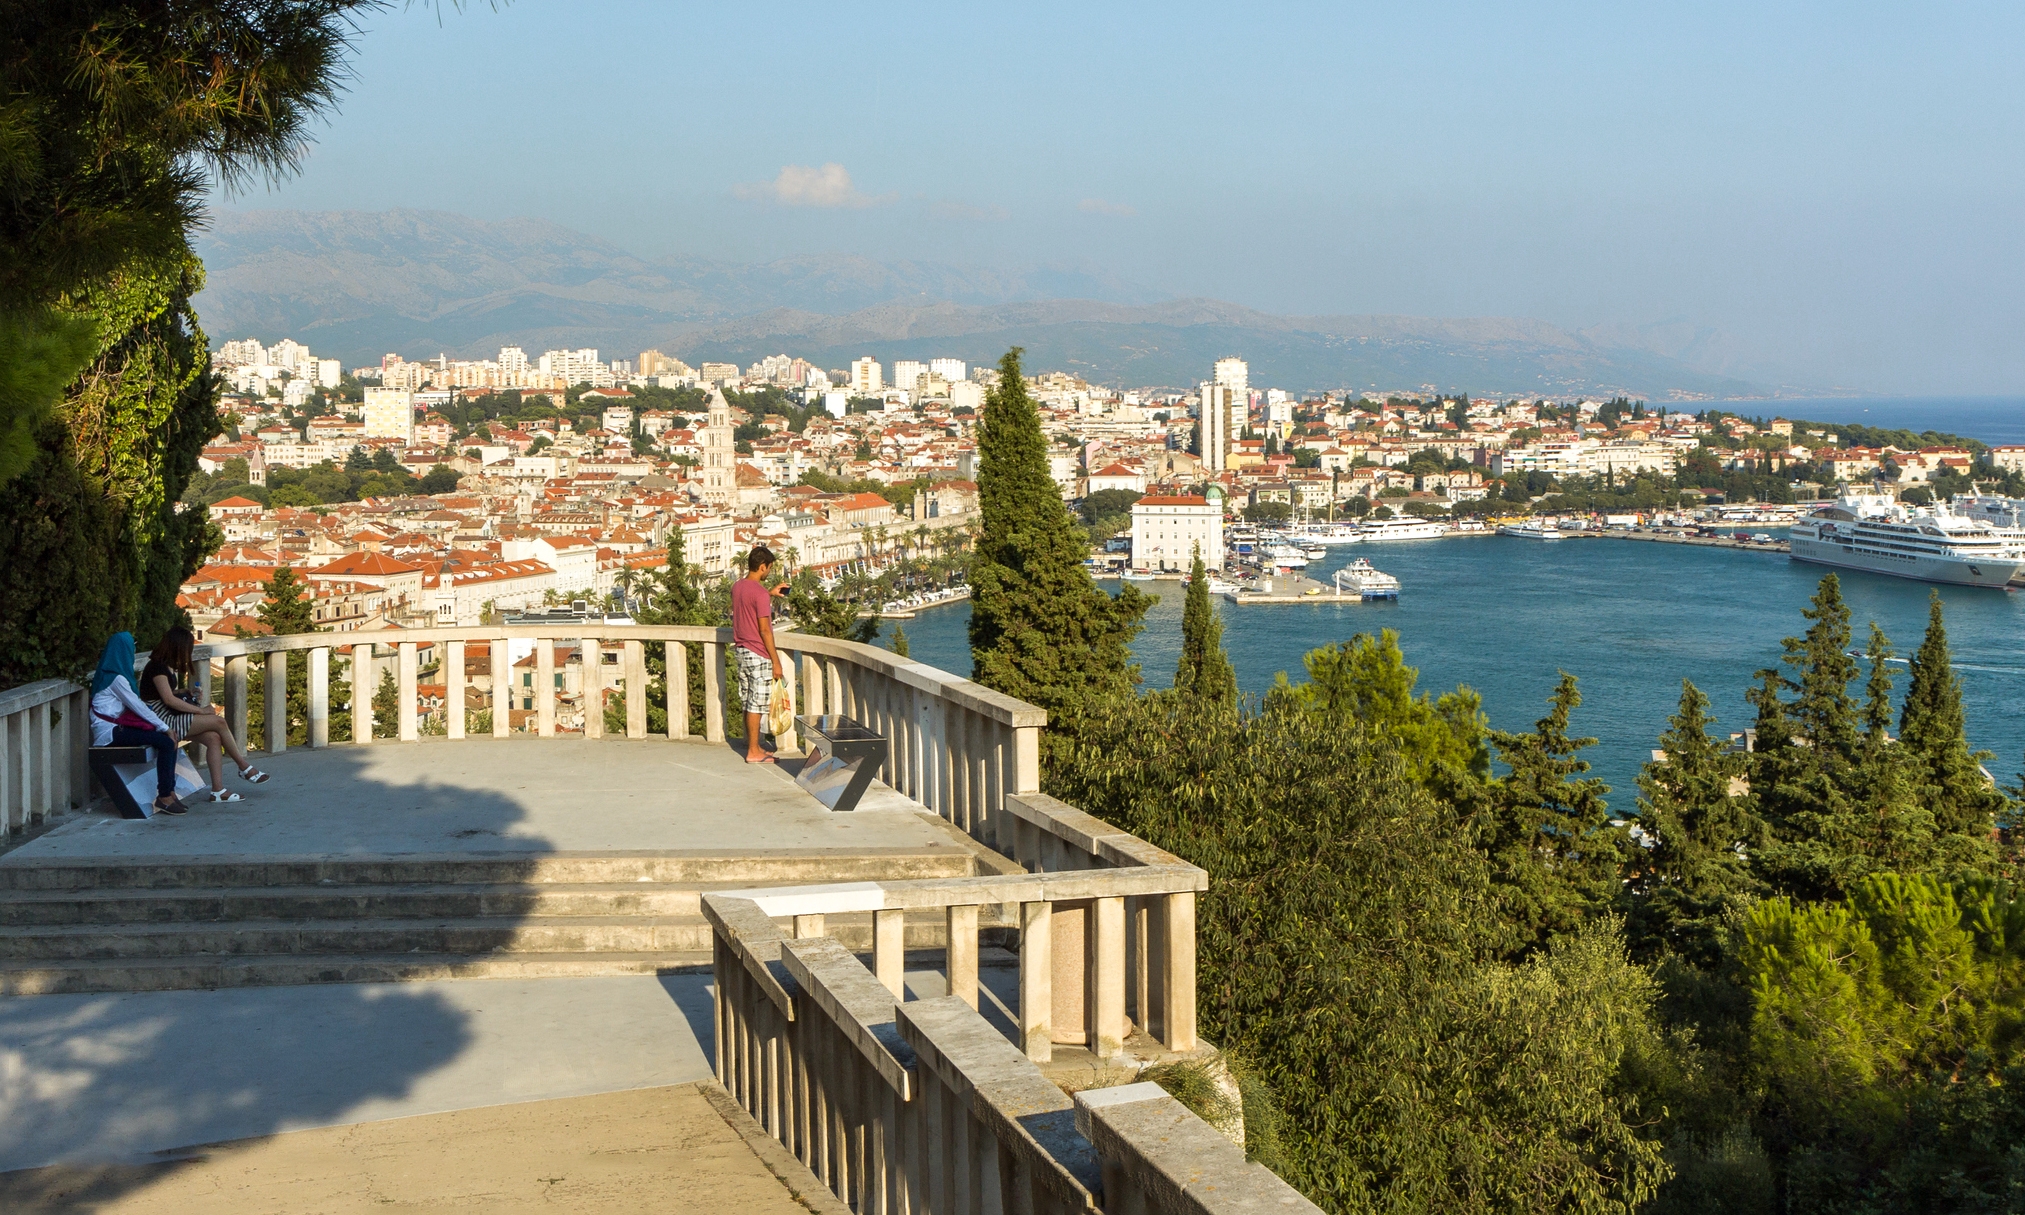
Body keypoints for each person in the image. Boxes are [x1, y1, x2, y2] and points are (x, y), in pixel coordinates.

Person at [140, 625, 268, 802]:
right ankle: (244, 767)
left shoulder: (163, 667)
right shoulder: (157, 668)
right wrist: (201, 711)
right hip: (161, 720)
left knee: (213, 738)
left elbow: (164, 694)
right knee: (218, 722)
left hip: (165, 715)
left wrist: (185, 691)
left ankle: (218, 790)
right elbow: (168, 700)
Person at [90, 632, 186, 816]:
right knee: (166, 742)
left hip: (115, 728)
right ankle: (165, 796)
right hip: (109, 733)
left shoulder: (107, 674)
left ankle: (170, 792)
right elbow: (137, 706)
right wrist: (165, 728)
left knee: (167, 741)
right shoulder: (117, 679)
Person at [731, 545, 786, 764]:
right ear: (762, 566)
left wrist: (769, 593)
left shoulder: (738, 587)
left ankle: (753, 745)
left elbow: (747, 602)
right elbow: (765, 630)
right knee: (757, 704)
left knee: (747, 700)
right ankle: (753, 751)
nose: (769, 572)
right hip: (758, 652)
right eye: (769, 568)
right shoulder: (760, 594)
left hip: (741, 650)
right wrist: (776, 661)